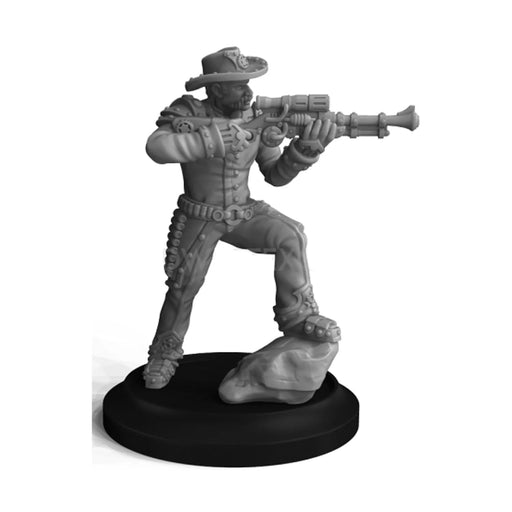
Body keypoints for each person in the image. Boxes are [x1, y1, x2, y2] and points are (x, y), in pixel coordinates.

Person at [143, 47, 341, 389]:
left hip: (243, 212)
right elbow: (156, 147)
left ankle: (299, 318)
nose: (247, 91)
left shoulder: (258, 116)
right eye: (238, 85)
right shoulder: (189, 112)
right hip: (200, 216)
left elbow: (275, 174)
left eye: (247, 83)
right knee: (183, 286)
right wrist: (210, 139)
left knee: (291, 235)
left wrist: (304, 149)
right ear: (216, 88)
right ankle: (164, 353)